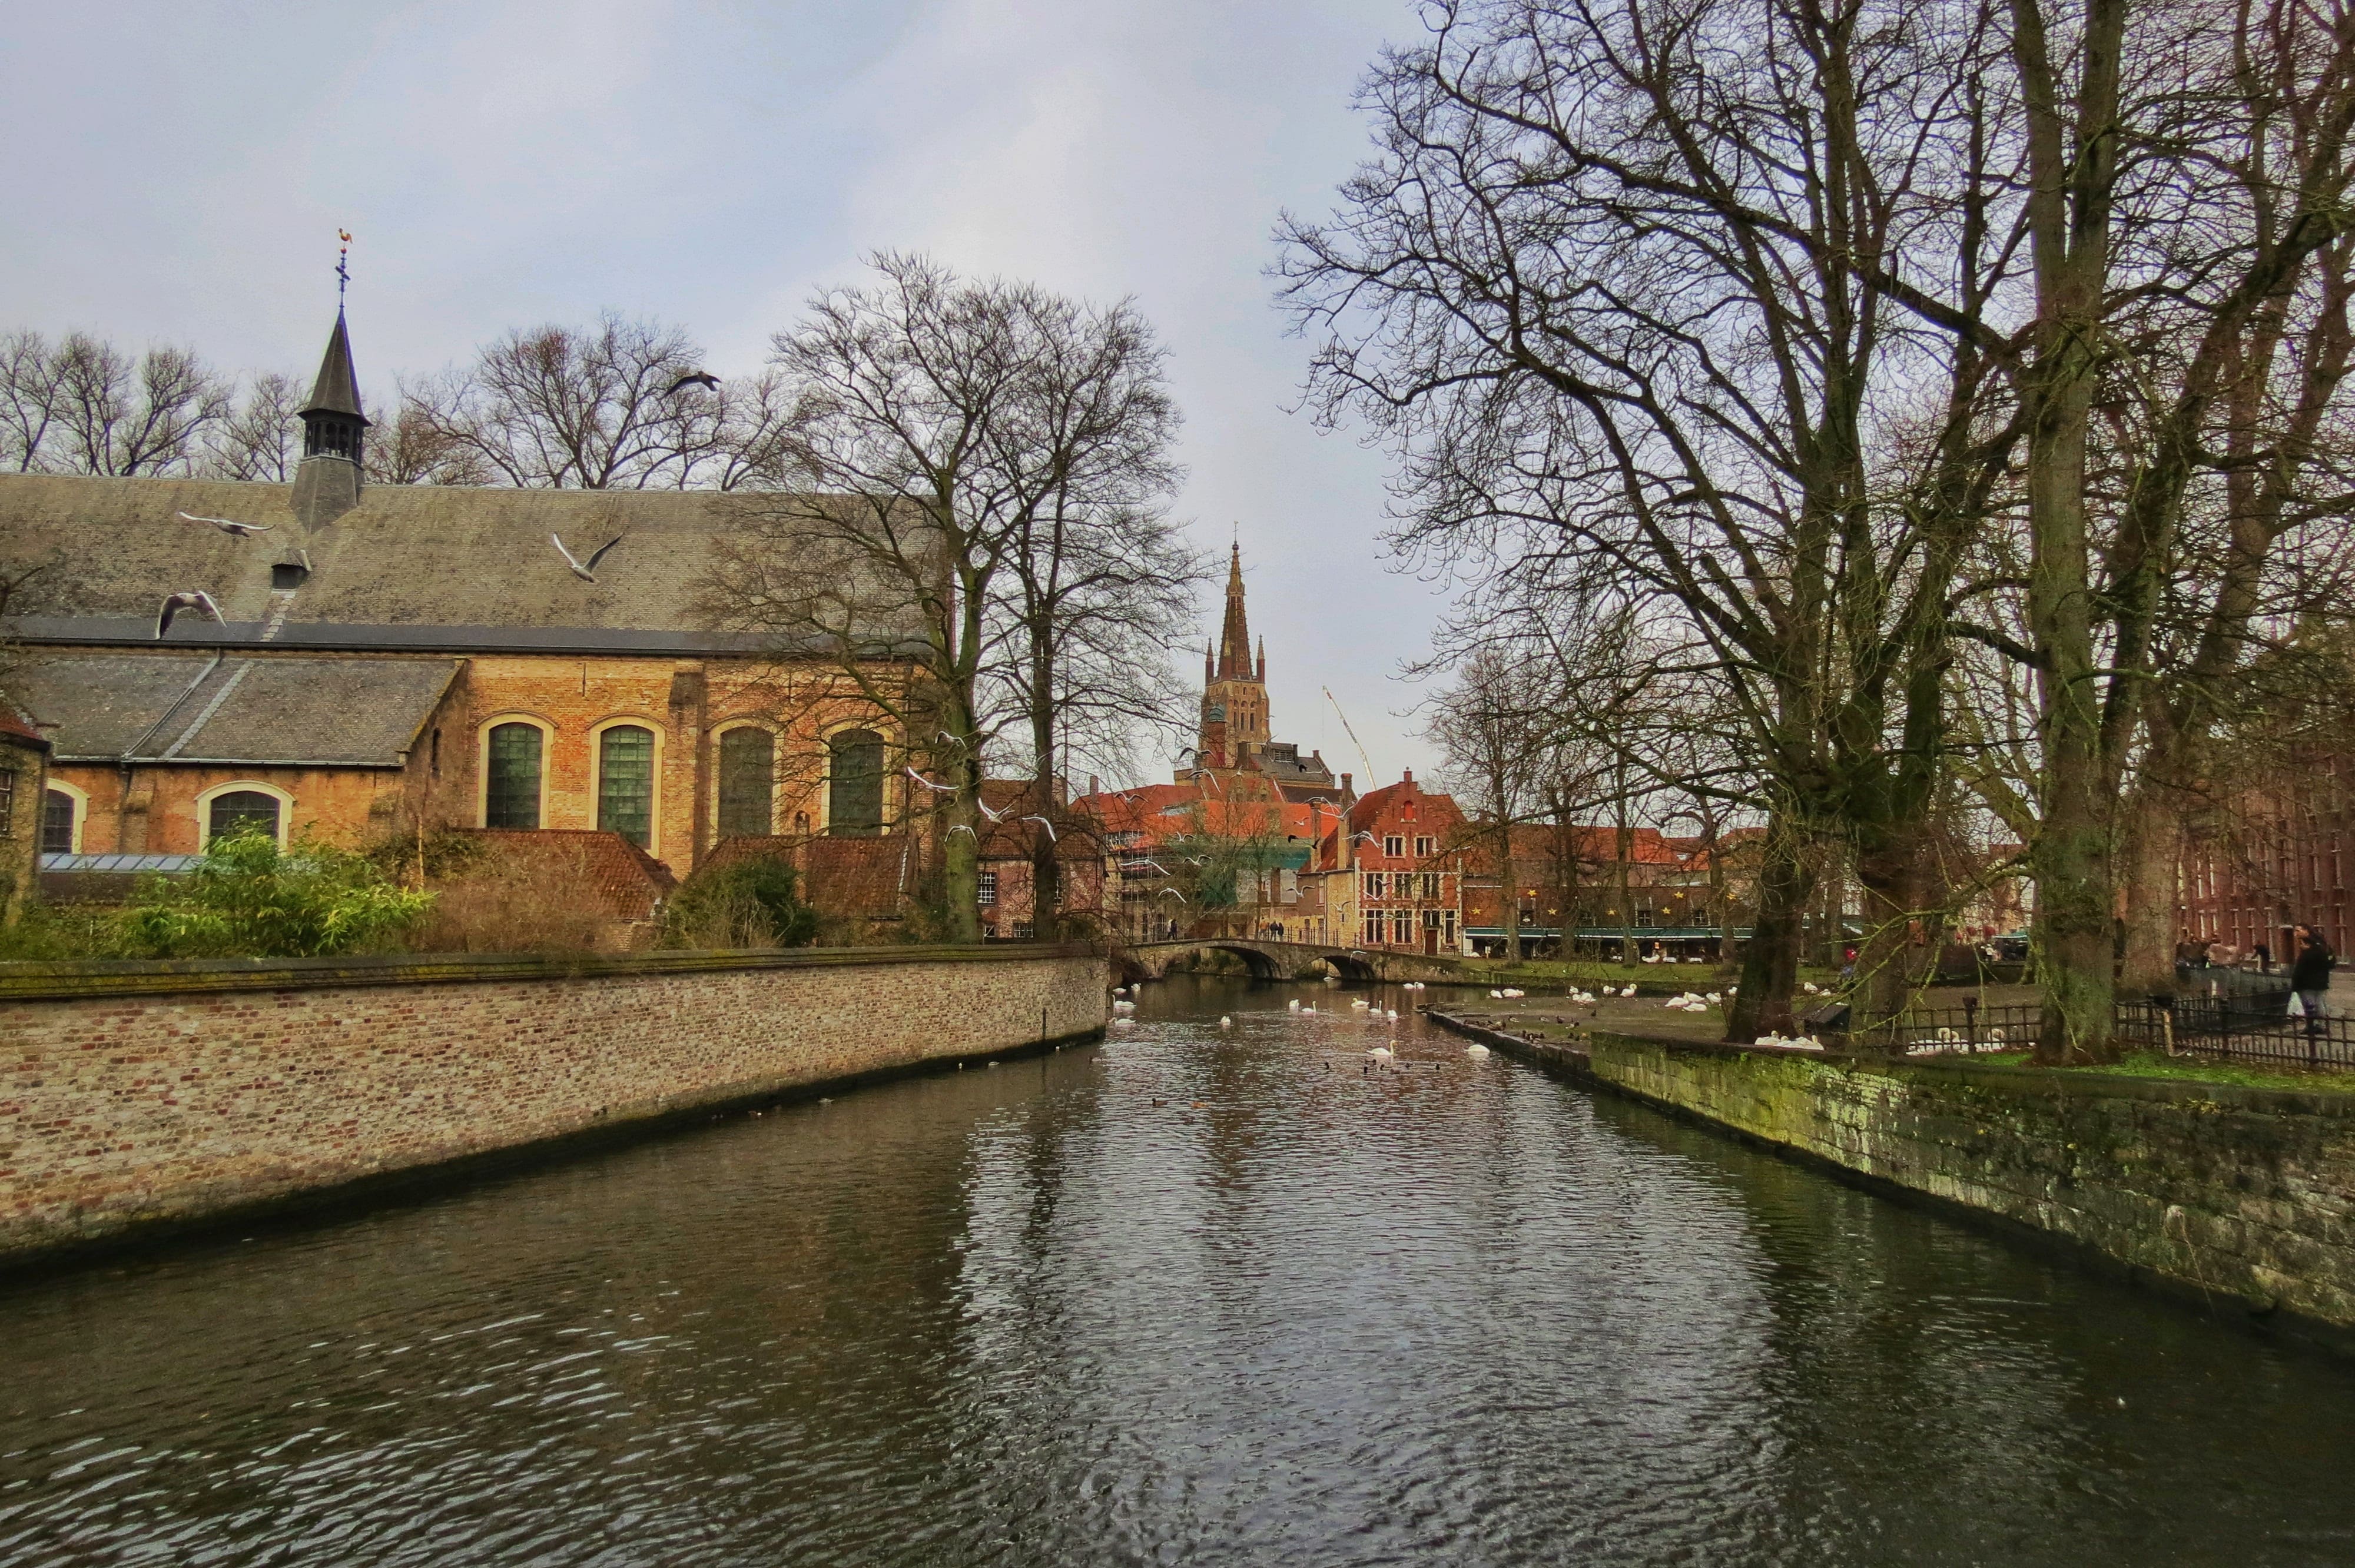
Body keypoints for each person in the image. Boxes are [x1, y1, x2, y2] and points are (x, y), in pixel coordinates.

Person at [2292, 926, 2336, 1038]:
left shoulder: (2313, 946)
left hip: (2308, 981)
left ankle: (2313, 1026)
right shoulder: (2321, 944)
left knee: (2310, 1004)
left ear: (2307, 931)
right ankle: (2318, 1025)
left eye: (2298, 930)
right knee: (2319, 1003)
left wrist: (2308, 952)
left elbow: (2314, 962)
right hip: (2319, 980)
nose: (2295, 933)